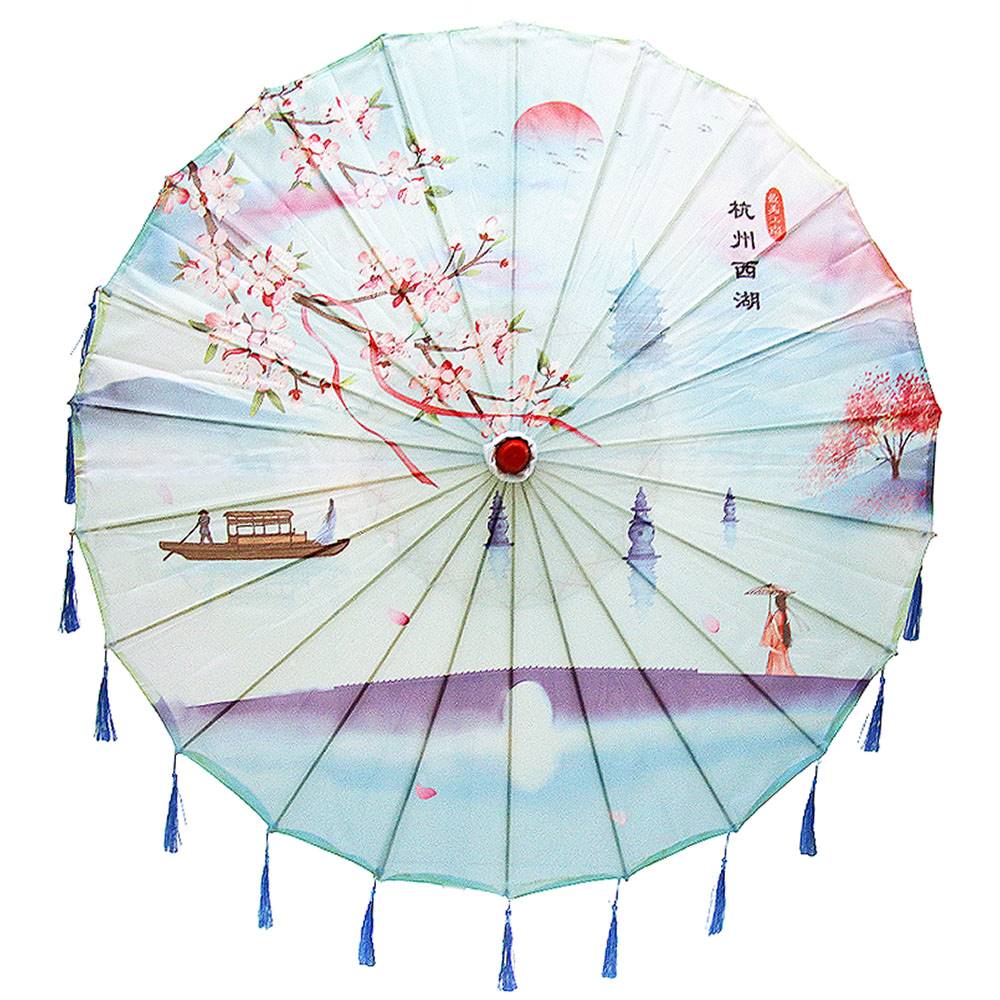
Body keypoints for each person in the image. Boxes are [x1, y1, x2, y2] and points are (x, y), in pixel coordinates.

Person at [760, 591, 796, 676]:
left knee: (781, 661)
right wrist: (779, 637)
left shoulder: (782, 614)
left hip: (781, 642)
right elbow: (774, 627)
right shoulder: (779, 614)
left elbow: (781, 627)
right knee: (779, 661)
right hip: (779, 642)